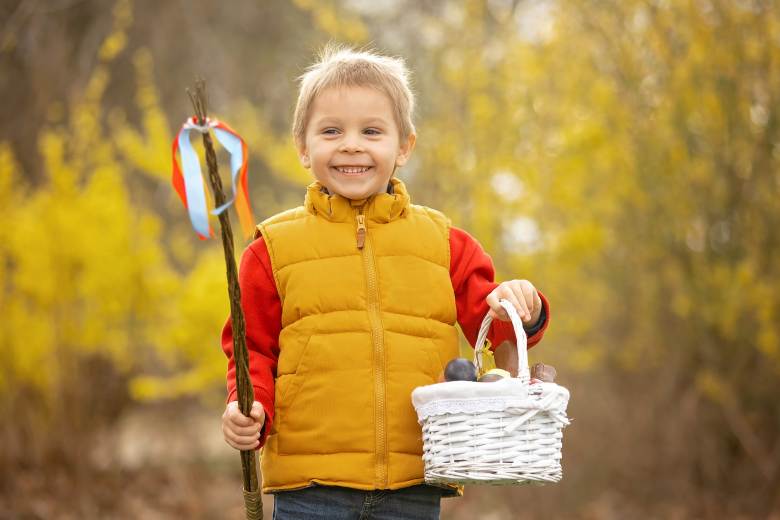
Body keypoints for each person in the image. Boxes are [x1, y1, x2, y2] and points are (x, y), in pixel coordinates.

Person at [220, 44, 551, 520]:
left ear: (403, 147)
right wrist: (248, 410)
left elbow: (494, 324)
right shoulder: (271, 248)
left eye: (371, 131)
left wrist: (524, 305)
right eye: (331, 131)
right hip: (313, 488)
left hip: (416, 484)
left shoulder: (444, 244)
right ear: (302, 146)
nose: (351, 144)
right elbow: (252, 348)